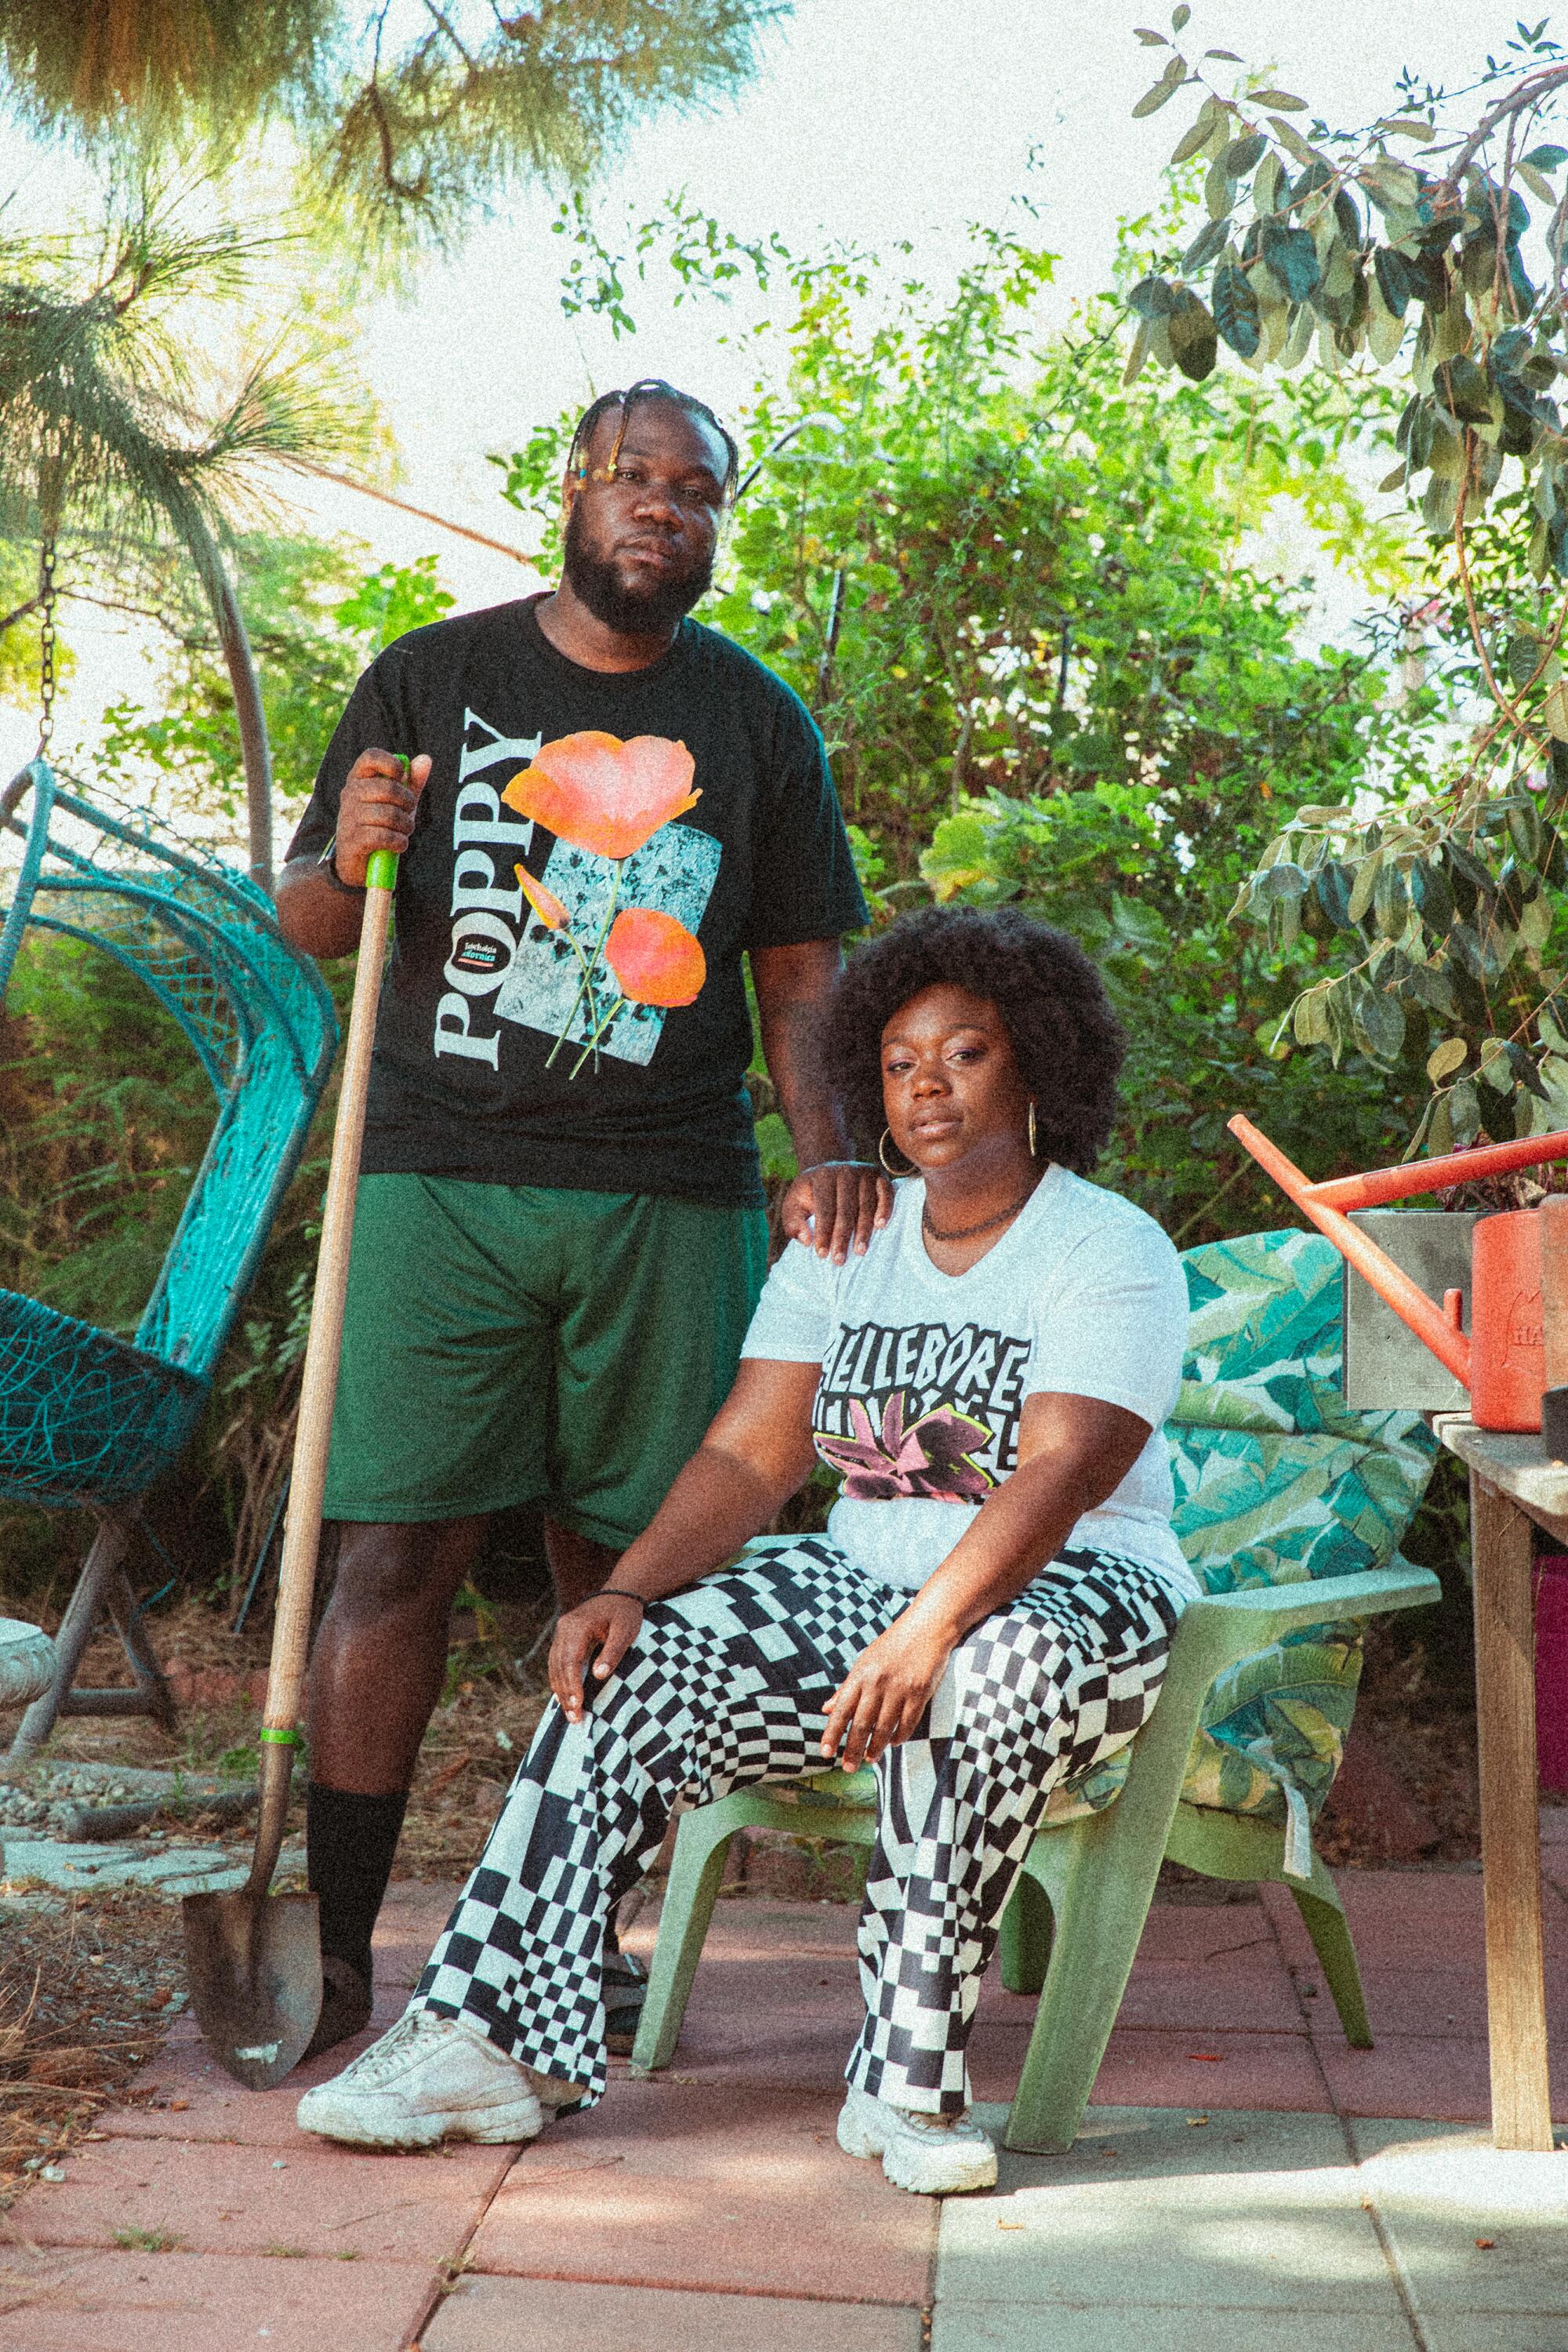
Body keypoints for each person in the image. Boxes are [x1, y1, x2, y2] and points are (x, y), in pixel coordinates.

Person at [296, 906, 1199, 2194]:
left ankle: (908, 2088)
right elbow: (747, 1457)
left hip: (1075, 1593)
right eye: (896, 1063)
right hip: (860, 1581)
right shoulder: (851, 1238)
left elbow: (1060, 1475)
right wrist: (622, 1589)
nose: (926, 1086)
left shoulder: (1107, 1248)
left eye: (966, 1054)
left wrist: (927, 1631)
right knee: (633, 1666)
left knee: (977, 1687)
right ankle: (493, 2044)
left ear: (1040, 1063)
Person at [274, 377, 884, 2060]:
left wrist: (820, 1158)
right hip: (436, 1175)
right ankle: (333, 1954)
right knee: (391, 1551)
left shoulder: (756, 723)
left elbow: (798, 976)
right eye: (635, 478)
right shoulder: (431, 676)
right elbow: (314, 918)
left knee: (622, 1570)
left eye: (697, 491)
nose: (662, 510)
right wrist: (357, 847)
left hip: (669, 1190)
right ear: (571, 489)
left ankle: (583, 1933)